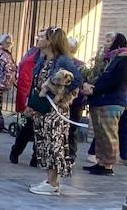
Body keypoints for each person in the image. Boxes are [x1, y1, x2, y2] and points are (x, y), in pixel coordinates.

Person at [28, 29, 85, 196]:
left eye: (41, 37)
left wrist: (61, 97)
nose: (38, 39)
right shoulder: (43, 59)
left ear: (50, 41)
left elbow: (77, 80)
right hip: (42, 108)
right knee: (44, 143)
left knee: (54, 144)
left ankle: (53, 183)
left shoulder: (63, 61)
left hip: (55, 111)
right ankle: (49, 180)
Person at [84, 33, 127, 176]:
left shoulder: (125, 60)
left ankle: (108, 165)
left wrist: (96, 89)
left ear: (118, 43)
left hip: (112, 101)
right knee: (100, 133)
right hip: (100, 100)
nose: (105, 43)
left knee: (109, 134)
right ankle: (100, 162)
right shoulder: (107, 59)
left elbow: (116, 81)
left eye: (109, 40)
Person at [8, 29, 49, 167]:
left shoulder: (55, 59)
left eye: (43, 36)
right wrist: (24, 103)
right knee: (27, 128)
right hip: (33, 98)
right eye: (39, 36)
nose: (39, 38)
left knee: (41, 129)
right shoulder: (32, 58)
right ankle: (16, 151)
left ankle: (36, 156)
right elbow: (25, 82)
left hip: (47, 99)